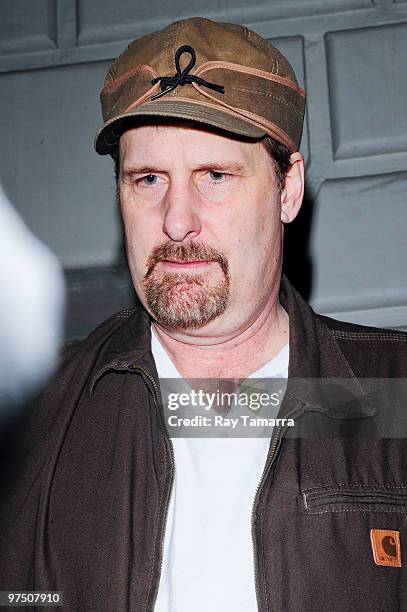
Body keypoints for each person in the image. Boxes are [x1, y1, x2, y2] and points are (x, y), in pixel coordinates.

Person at [0, 16, 406, 612]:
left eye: (214, 176)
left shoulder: (392, 392)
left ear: (287, 188)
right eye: (148, 179)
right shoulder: (30, 419)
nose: (176, 219)